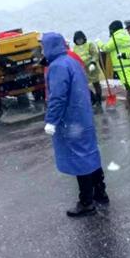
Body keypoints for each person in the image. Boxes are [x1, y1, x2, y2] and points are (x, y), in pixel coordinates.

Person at [41, 32, 109, 217]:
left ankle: (86, 202)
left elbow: (58, 97)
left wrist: (51, 121)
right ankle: (100, 192)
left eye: (42, 46)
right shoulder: (71, 61)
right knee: (90, 153)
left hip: (70, 120)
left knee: (79, 159)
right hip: (83, 117)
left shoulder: (57, 67)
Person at [97, 21, 130, 96]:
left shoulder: (116, 37)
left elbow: (106, 48)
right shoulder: (126, 35)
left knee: (128, 82)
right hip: (128, 62)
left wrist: (99, 43)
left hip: (120, 64)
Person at [73, 30, 104, 106]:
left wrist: (93, 62)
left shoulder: (89, 44)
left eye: (80, 39)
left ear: (84, 38)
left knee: (96, 83)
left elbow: (95, 54)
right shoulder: (74, 48)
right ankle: (93, 98)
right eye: (77, 40)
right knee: (83, 85)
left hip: (92, 67)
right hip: (82, 69)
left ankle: (99, 99)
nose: (79, 41)